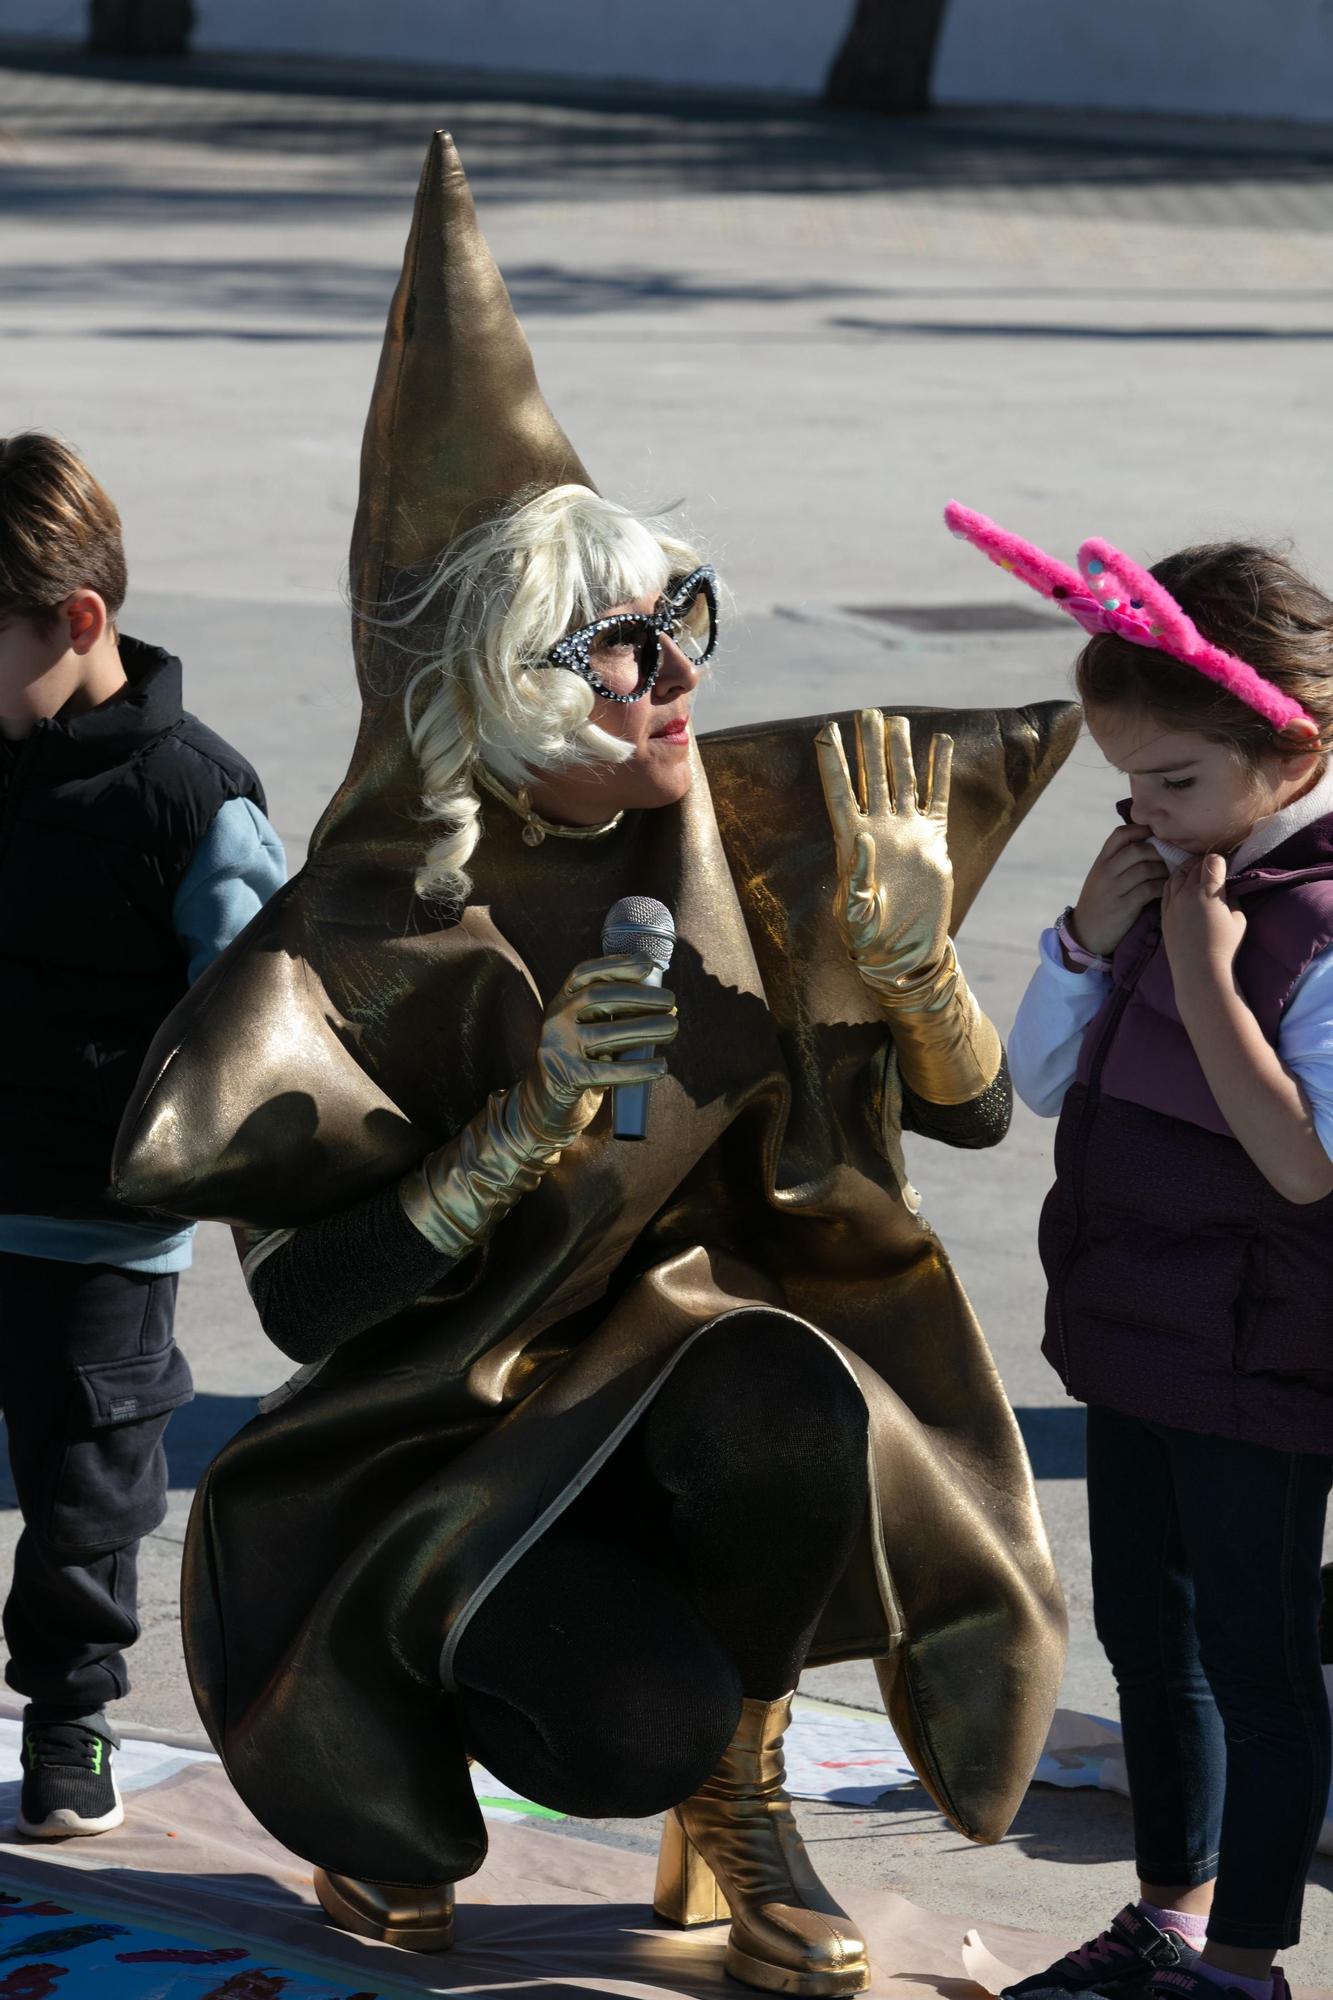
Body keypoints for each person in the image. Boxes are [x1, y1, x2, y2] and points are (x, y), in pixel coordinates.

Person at [112, 137, 1071, 1995]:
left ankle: (741, 1780)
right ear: (498, 687)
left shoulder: (778, 832)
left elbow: (963, 1121)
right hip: (444, 1449)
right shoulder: (363, 935)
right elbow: (309, 1307)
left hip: (717, 1413)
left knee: (774, 1384)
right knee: (607, 1716)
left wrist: (913, 967)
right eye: (617, 642)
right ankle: (433, 1758)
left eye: (681, 615)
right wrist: (517, 1130)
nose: (672, 669)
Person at [948, 503, 1333, 2000]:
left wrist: (1198, 968)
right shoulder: (1175, 877)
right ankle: (1164, 1912)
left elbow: (1301, 1165)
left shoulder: (1296, 920)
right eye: (1126, 784)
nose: (1146, 813)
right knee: (1145, 1635)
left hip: (1258, 1353)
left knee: (1254, 1647)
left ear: (1291, 753)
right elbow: (1035, 1085)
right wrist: (1078, 951)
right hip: (1133, 1330)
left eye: (1174, 779)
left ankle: (1242, 1962)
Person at [0, 432, 285, 1839]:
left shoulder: (193, 797)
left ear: (78, 622)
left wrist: (189, 1151)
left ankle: (70, 1721)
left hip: (98, 1217)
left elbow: (252, 1016)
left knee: (84, 1485)